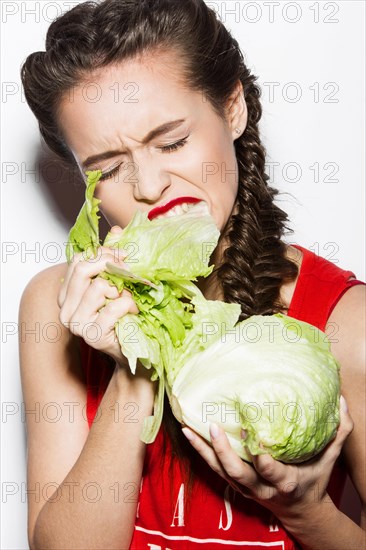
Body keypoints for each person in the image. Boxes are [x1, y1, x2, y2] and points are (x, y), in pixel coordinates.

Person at [19, 0, 365, 548]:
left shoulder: (345, 319)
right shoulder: (56, 309)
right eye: (108, 168)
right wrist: (134, 372)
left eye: (172, 141)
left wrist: (304, 511)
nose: (149, 185)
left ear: (233, 109)